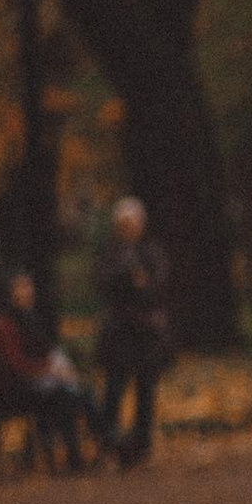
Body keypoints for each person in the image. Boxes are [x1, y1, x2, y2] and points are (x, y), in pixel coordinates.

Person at [0, 274, 100, 472]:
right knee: (63, 396)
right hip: (8, 391)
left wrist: (59, 369)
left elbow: (44, 350)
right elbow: (16, 365)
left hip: (28, 384)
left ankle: (90, 449)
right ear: (10, 294)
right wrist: (50, 370)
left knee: (77, 393)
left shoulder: (29, 318)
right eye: (21, 289)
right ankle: (85, 451)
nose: (27, 293)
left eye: (28, 287)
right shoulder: (5, 325)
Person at [94, 196, 173, 467]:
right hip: (118, 331)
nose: (128, 229)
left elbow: (159, 285)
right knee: (114, 389)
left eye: (133, 223)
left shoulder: (152, 251)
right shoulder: (109, 253)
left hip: (146, 332)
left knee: (145, 390)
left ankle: (141, 446)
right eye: (123, 224)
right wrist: (129, 281)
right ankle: (108, 444)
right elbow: (103, 284)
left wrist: (141, 286)